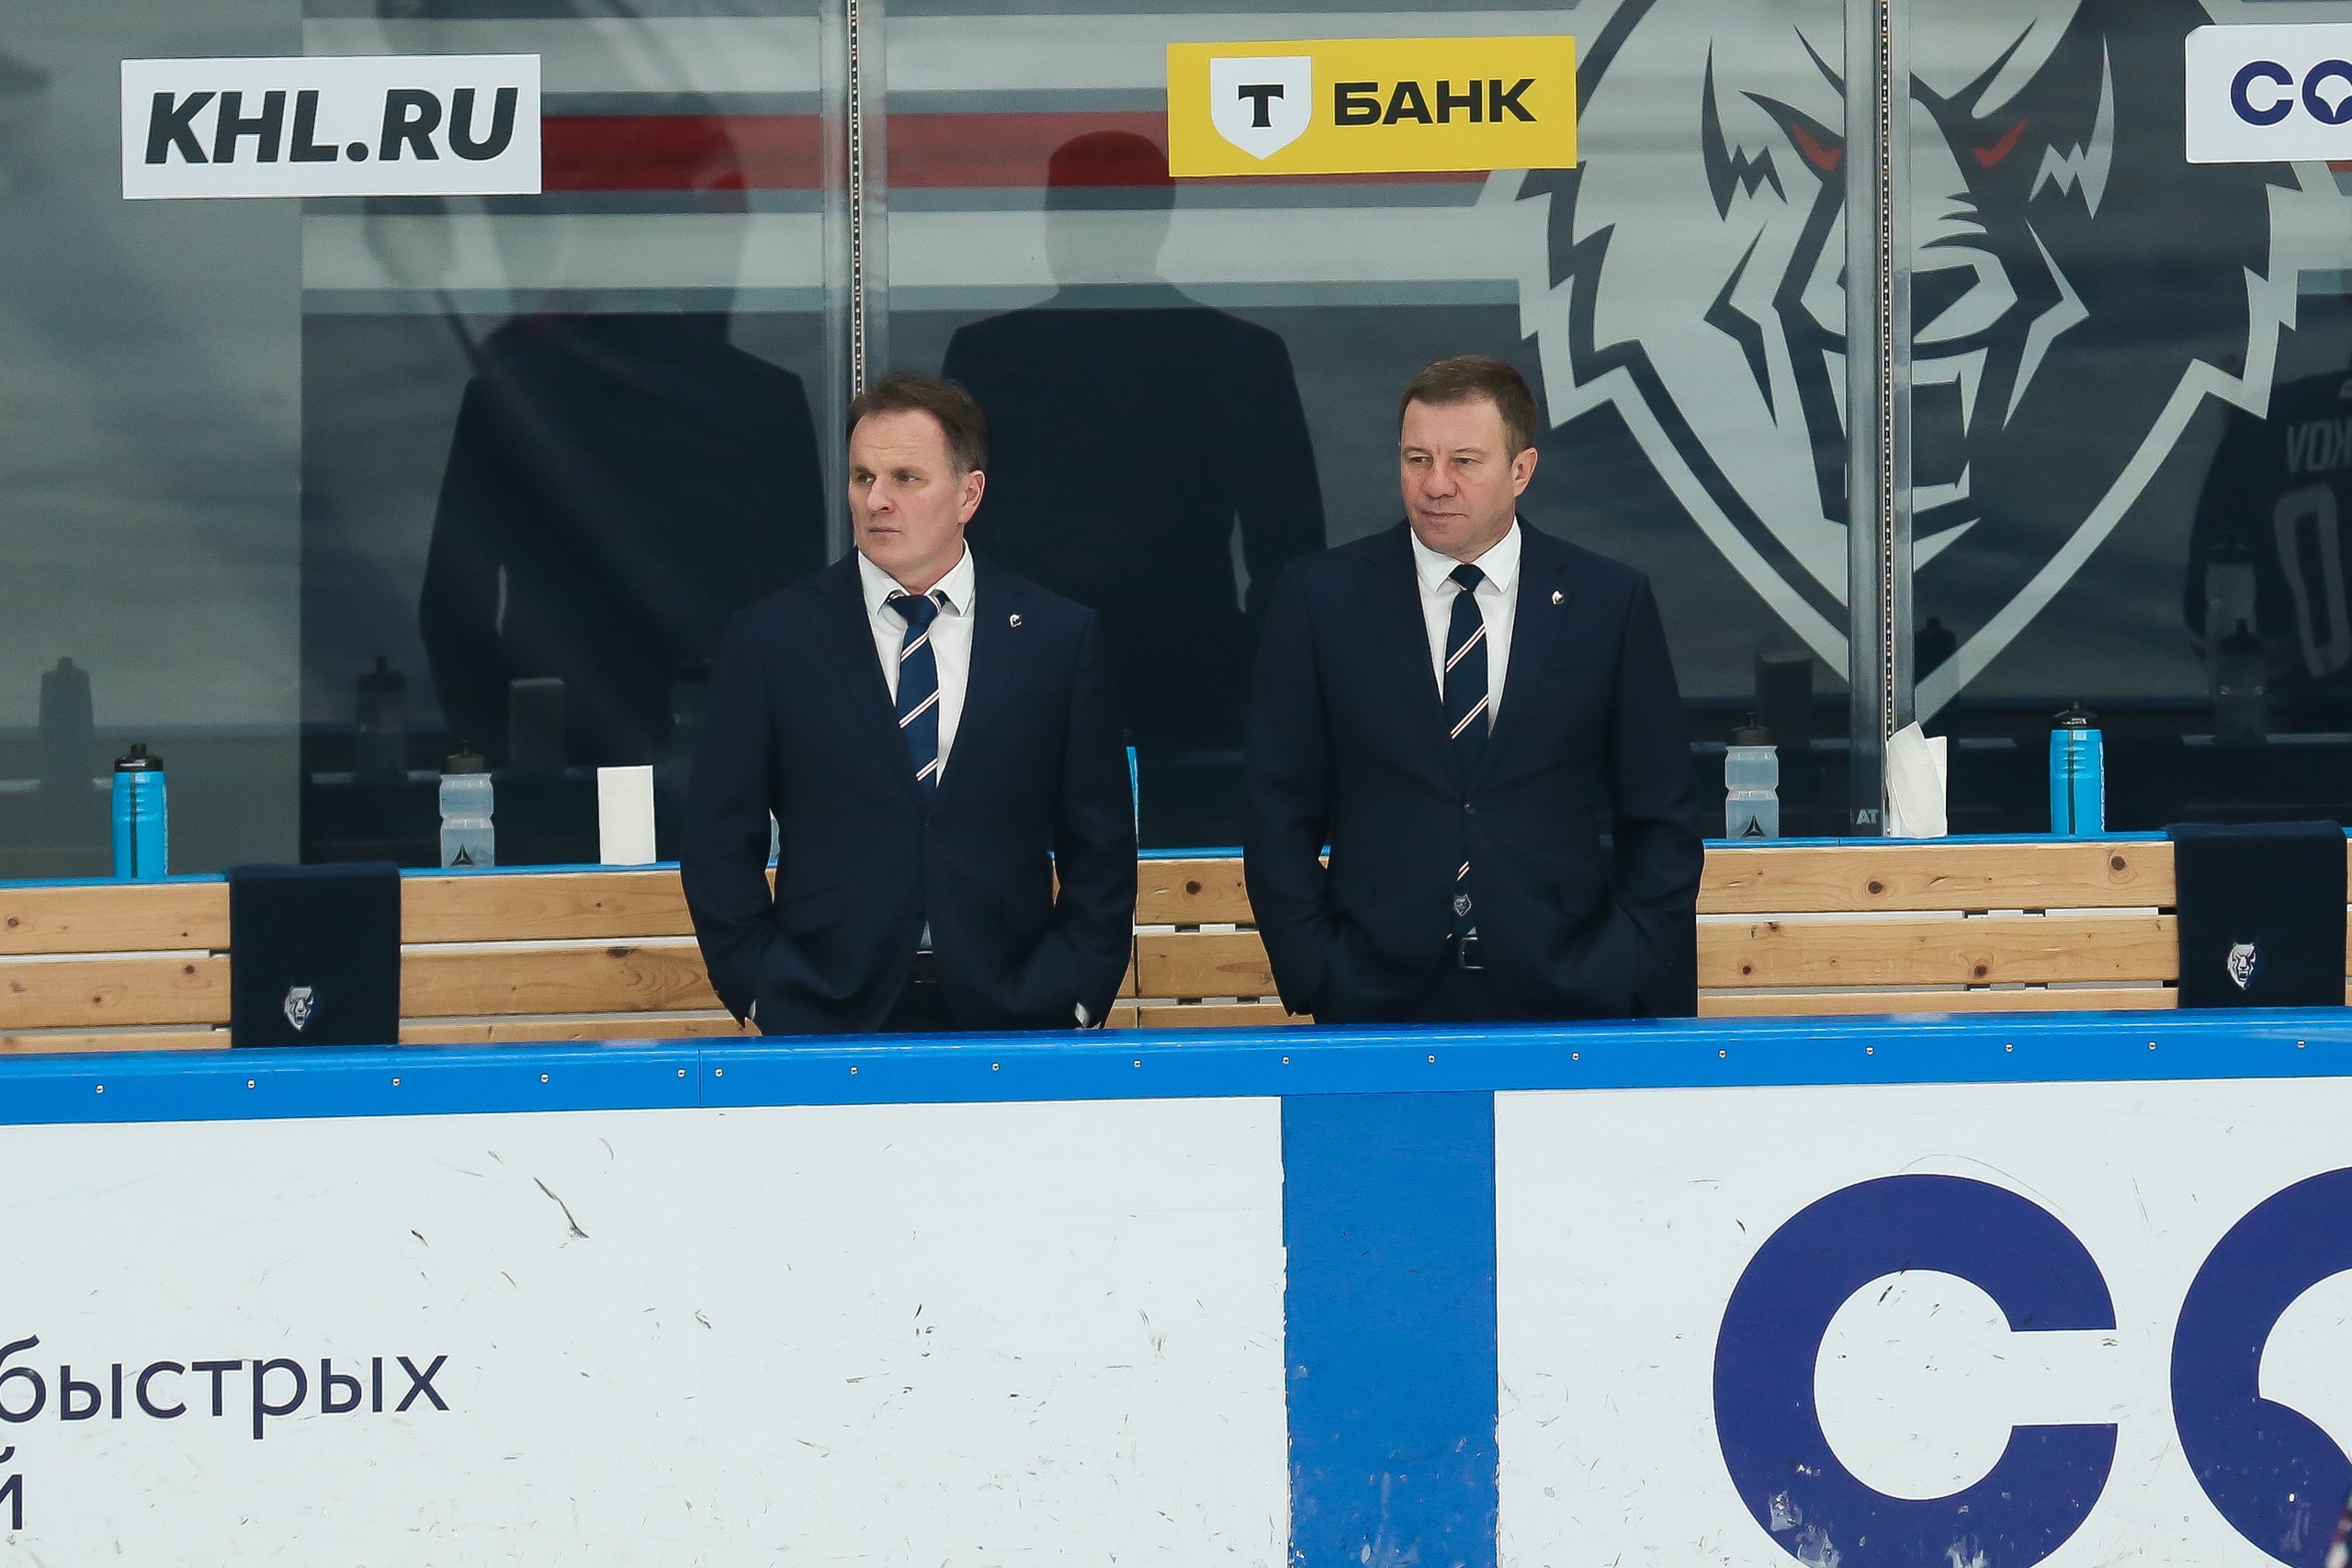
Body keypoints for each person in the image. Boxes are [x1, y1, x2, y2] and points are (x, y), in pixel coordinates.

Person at [1244, 355, 1702, 1024]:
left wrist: (1627, 965)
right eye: (1417, 459)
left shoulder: (1607, 601)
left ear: (1522, 470)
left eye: (1464, 461)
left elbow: (1660, 815)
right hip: (1377, 996)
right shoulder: (1322, 600)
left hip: (1569, 995)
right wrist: (1319, 969)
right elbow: (1277, 811)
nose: (1436, 484)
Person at [681, 371, 1136, 1033]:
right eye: (862, 477)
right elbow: (719, 837)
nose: (876, 501)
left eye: (905, 478)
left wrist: (1077, 989)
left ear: (968, 494)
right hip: (826, 1009)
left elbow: (1100, 842)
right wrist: (761, 987)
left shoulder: (1057, 637)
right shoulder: (773, 640)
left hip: (1016, 1007)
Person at [942, 130, 1325, 750]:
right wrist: (1258, 675)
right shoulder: (1241, 355)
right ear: (1159, 222)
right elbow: (1286, 550)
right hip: (1195, 675)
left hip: (1026, 671)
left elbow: (953, 537)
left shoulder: (988, 355)